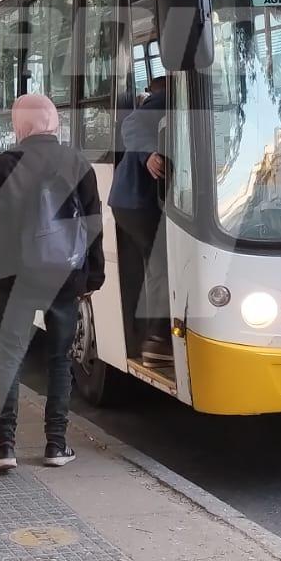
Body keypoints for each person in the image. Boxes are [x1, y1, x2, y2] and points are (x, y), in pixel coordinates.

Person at [0, 95, 104, 472]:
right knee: (60, 360)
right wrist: (92, 275)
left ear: (19, 125)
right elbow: (93, 224)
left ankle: (4, 446)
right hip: (65, 276)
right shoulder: (77, 162)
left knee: (10, 359)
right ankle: (56, 444)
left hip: (17, 278)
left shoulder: (6, 164)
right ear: (53, 122)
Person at [109, 75, 171, 363]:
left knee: (152, 265)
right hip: (136, 201)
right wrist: (149, 155)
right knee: (163, 263)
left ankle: (147, 335)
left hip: (132, 201)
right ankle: (157, 340)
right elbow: (131, 124)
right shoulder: (170, 96)